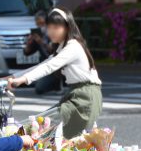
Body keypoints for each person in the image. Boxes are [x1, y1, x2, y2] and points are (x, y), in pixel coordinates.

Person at [7, 7, 102, 138]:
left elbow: (49, 67)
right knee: (47, 128)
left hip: (85, 97)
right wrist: (13, 77)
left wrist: (22, 80)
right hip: (78, 94)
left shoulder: (73, 46)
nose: (51, 32)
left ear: (67, 27)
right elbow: (44, 64)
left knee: (46, 127)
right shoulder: (62, 46)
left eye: (56, 27)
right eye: (49, 27)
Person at [23, 10, 62, 95]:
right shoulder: (38, 36)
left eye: (42, 24)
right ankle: (53, 84)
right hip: (46, 68)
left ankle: (61, 83)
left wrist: (42, 42)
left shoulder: (55, 34)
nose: (41, 27)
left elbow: (53, 51)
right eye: (38, 24)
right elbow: (27, 53)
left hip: (58, 66)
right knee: (39, 89)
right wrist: (29, 43)